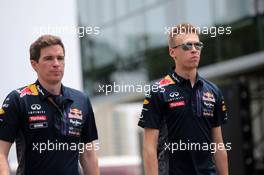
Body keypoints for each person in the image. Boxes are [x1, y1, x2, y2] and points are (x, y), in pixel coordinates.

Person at [0, 35, 99, 175]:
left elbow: (88, 155)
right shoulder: (18, 99)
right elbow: (1, 153)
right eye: (48, 58)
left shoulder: (81, 100)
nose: (56, 63)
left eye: (60, 58)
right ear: (34, 64)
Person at [138, 23, 229, 175]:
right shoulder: (158, 91)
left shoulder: (213, 91)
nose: (194, 50)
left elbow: (218, 144)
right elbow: (149, 148)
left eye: (197, 45)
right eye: (187, 46)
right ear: (172, 52)